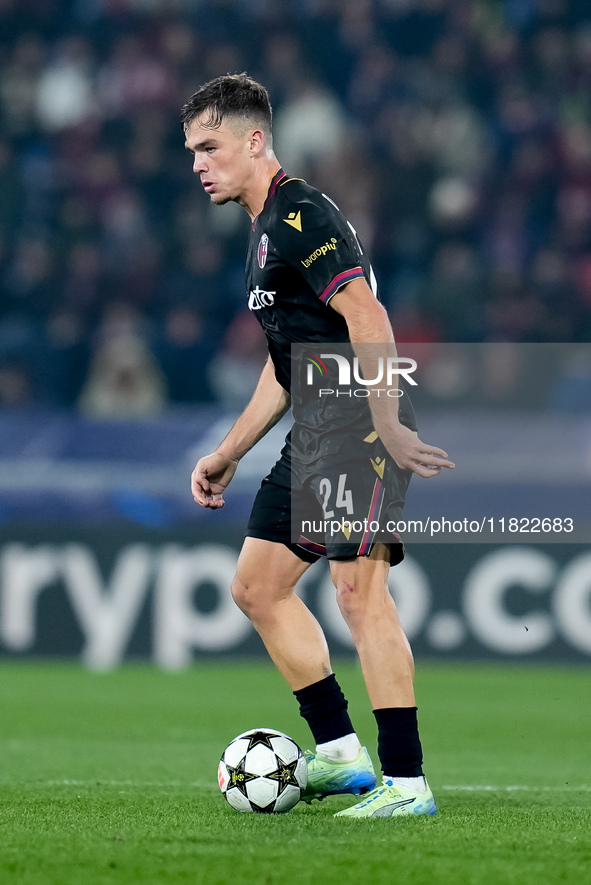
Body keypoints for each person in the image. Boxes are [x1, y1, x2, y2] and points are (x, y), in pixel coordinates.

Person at [183, 74, 455, 818]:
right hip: (317, 420)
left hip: (354, 418)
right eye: (191, 151)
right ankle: (339, 754)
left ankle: (406, 783)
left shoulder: (300, 213)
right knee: (257, 587)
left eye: (209, 147)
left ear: (254, 140)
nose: (199, 163)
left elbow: (366, 314)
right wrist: (231, 448)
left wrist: (388, 420)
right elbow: (282, 368)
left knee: (357, 592)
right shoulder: (262, 229)